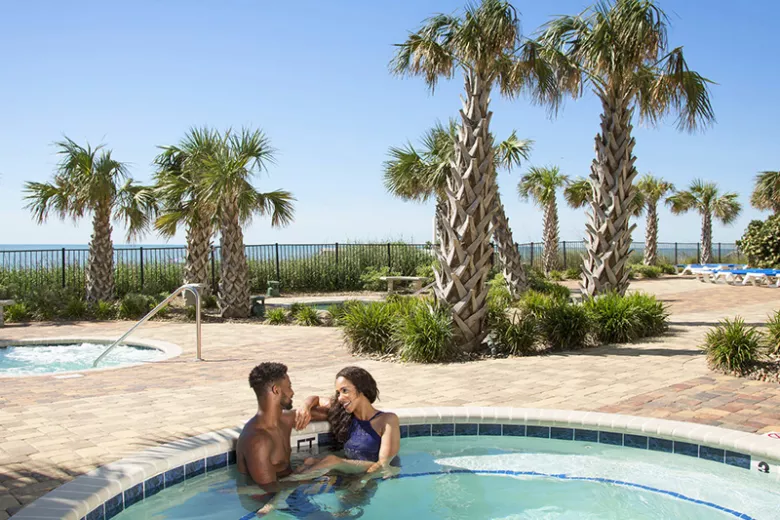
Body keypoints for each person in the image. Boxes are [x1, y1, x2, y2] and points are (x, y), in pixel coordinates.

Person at [236, 361, 323, 514]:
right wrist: (311, 481)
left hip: (290, 492)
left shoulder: (285, 420)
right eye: (289, 387)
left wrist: (307, 404)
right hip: (265, 503)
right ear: (276, 390)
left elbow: (334, 411)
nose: (292, 392)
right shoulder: (258, 440)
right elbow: (269, 488)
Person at [296, 366, 401, 476]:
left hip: (373, 473)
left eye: (345, 391)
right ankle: (288, 490)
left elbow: (384, 464)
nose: (340, 398)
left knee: (331, 460)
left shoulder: (387, 420)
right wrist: (305, 406)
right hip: (351, 470)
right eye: (338, 393)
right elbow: (316, 399)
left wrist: (361, 482)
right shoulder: (342, 412)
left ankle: (287, 483)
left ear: (361, 389)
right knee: (309, 462)